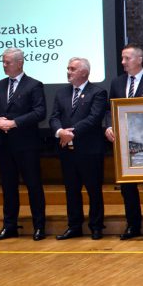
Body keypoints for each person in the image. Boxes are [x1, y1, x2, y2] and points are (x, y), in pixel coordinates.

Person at [0, 47, 47, 240]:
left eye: (7, 62)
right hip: (4, 145)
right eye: (3, 62)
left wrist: (14, 123)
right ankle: (9, 226)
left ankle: (39, 226)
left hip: (27, 145)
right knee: (8, 188)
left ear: (19, 63)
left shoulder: (34, 85)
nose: (4, 65)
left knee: (34, 186)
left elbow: (40, 112)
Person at [105, 44, 143, 240]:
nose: (123, 62)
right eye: (122, 58)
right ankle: (132, 226)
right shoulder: (117, 83)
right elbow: (109, 110)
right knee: (127, 188)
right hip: (123, 144)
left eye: (127, 58)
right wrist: (109, 126)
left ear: (139, 60)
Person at [49, 57, 108, 240]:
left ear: (84, 72)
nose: (68, 72)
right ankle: (74, 226)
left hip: (90, 150)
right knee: (71, 190)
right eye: (68, 68)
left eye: (72, 69)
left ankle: (96, 226)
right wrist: (60, 132)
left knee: (93, 190)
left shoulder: (98, 92)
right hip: (67, 150)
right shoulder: (61, 93)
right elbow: (54, 117)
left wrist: (71, 133)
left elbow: (94, 118)